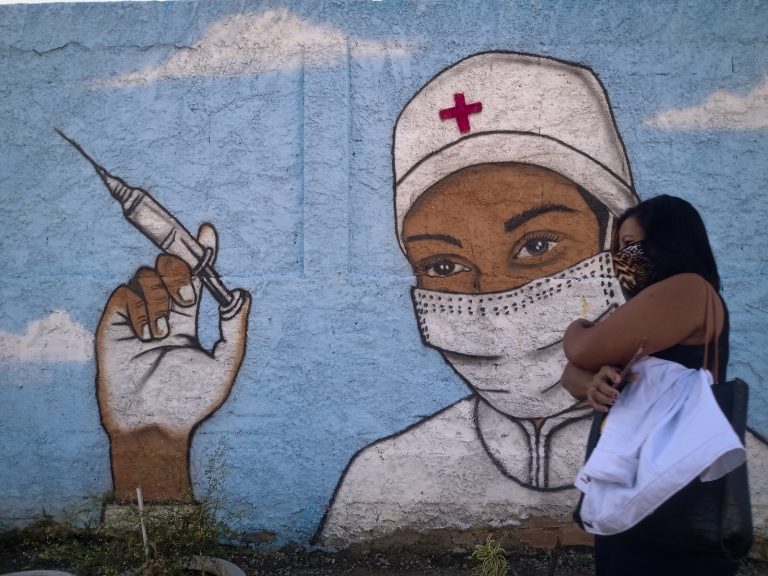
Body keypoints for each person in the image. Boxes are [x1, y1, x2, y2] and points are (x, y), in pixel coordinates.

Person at [314, 51, 638, 546]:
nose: (496, 299)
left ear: (614, 240)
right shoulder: (381, 483)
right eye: (444, 267)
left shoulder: (720, 463)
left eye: (537, 245)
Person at [561, 194, 741, 575]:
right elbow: (572, 374)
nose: (621, 259)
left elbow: (584, 348)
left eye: (629, 245)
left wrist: (575, 328)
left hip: (669, 492)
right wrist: (593, 382)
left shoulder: (689, 289)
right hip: (636, 482)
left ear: (667, 239)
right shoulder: (647, 309)